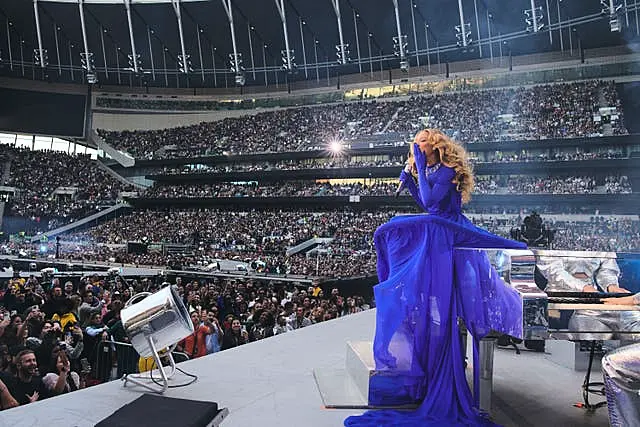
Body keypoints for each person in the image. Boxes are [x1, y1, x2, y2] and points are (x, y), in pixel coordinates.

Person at [344, 129, 526, 426]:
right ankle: (433, 367)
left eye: (422, 140)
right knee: (431, 304)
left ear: (435, 143)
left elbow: (432, 204)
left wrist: (416, 167)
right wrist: (410, 181)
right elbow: (425, 203)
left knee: (449, 306)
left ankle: (449, 371)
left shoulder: (449, 169)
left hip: (450, 240)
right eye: (415, 142)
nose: (417, 143)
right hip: (437, 236)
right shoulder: (431, 170)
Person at [538, 254, 640, 340]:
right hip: (559, 295)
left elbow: (606, 269)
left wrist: (611, 286)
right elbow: (553, 270)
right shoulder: (552, 240)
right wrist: (583, 287)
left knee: (628, 326)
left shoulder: (599, 238)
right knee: (591, 333)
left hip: (594, 297)